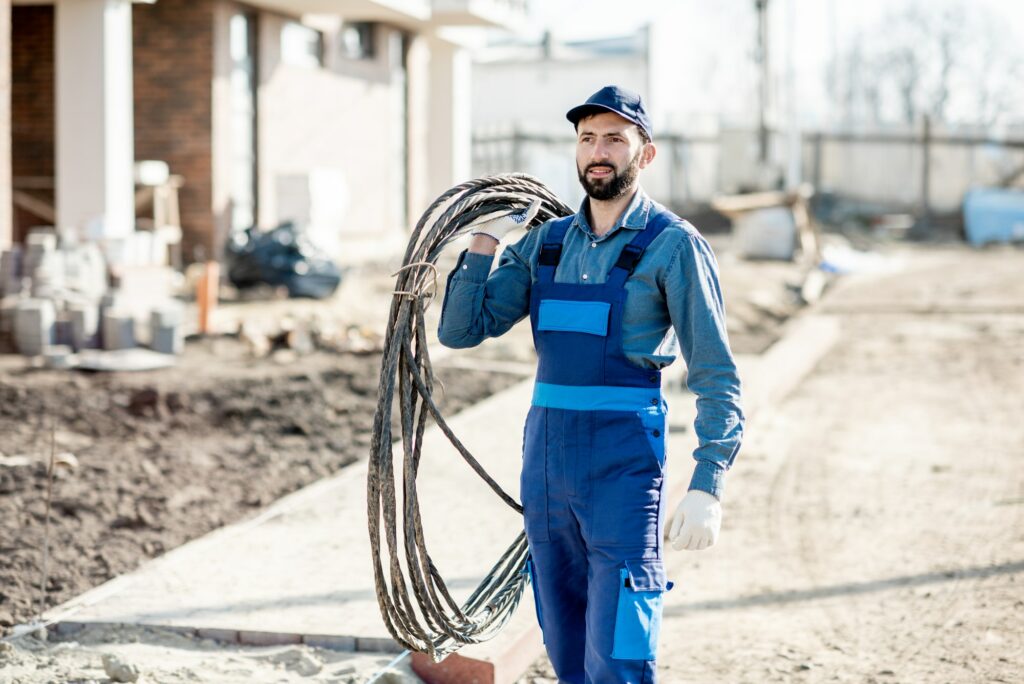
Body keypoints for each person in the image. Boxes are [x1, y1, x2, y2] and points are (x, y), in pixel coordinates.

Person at [437, 85, 744, 683]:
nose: (597, 151)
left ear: (645, 154)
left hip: (623, 463)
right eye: (586, 139)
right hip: (546, 461)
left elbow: (716, 373)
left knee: (623, 633)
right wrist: (484, 241)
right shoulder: (545, 244)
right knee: (563, 628)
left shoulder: (673, 245)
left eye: (613, 138)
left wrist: (709, 480)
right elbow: (459, 330)